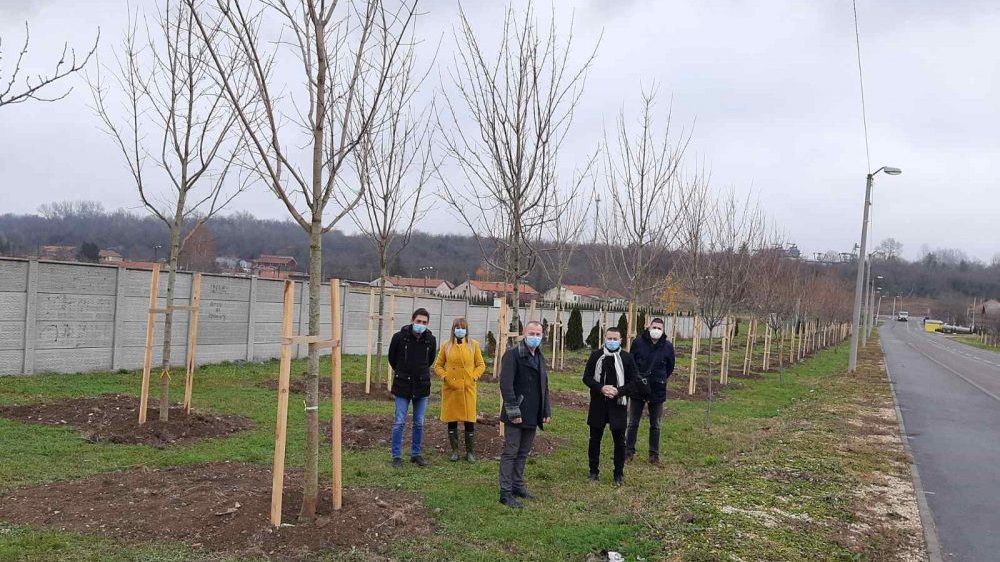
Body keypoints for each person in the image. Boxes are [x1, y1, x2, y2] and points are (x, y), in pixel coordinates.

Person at [498, 320, 551, 508]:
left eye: (538, 334)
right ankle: (505, 492)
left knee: (523, 452)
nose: (535, 337)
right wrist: (513, 411)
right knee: (511, 452)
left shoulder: (539, 356)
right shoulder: (512, 355)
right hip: (517, 412)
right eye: (531, 333)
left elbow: (544, 385)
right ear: (524, 333)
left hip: (533, 413)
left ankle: (517, 486)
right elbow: (506, 385)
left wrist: (546, 410)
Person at [583, 327, 643, 486]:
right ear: (604, 338)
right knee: (594, 439)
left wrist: (618, 391)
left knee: (620, 441)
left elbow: (634, 382)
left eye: (615, 339)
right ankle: (593, 471)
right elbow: (587, 377)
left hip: (618, 405)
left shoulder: (627, 358)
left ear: (621, 340)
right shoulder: (596, 356)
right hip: (598, 403)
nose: (611, 341)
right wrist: (601, 388)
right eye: (609, 338)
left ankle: (618, 474)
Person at [388, 308, 437, 469]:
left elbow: (430, 360)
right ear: (412, 320)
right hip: (402, 385)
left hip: (422, 386)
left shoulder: (430, 340)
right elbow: (392, 358)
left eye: (424, 322)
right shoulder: (399, 337)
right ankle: (396, 456)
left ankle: (416, 454)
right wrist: (402, 372)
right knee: (399, 422)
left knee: (419, 423)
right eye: (418, 321)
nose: (421, 324)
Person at [434, 317, 486, 462]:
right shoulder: (446, 346)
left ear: (467, 330)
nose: (460, 330)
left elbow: (481, 365)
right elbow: (438, 366)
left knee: (469, 420)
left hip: (468, 388)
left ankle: (470, 452)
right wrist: (445, 377)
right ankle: (455, 451)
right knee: (452, 419)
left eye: (463, 327)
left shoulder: (473, 345)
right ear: (453, 329)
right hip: (451, 388)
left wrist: (473, 377)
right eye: (457, 327)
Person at [625, 318, 675, 465]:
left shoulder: (667, 346)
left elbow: (670, 367)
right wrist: (638, 379)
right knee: (633, 422)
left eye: (659, 328)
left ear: (663, 331)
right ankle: (628, 452)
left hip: (657, 389)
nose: (656, 330)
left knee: (656, 425)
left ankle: (654, 456)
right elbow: (632, 363)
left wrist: (659, 378)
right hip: (638, 388)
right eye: (654, 327)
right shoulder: (638, 343)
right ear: (649, 327)